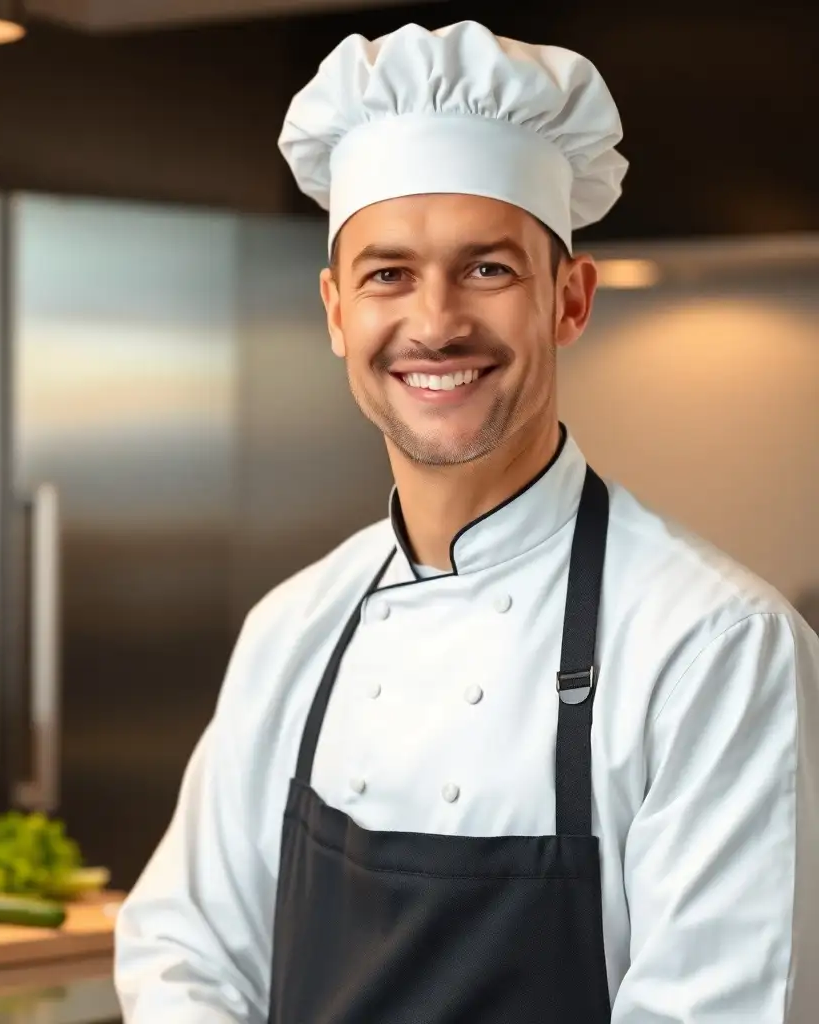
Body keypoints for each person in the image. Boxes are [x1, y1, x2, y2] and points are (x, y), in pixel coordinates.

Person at [114, 20, 819, 1023]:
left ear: (569, 299)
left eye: (485, 269)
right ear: (333, 312)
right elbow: (184, 949)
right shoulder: (294, 628)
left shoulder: (713, 651)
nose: (435, 321)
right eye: (387, 274)